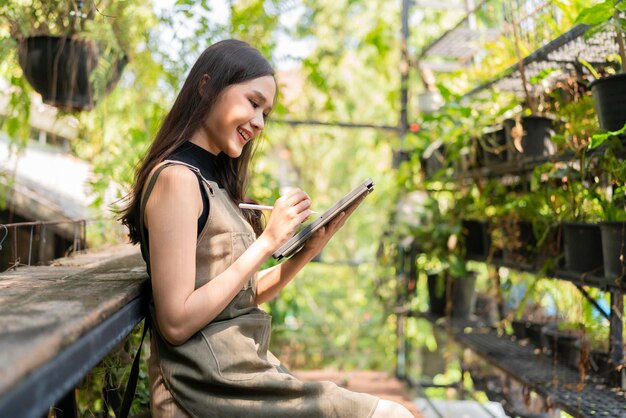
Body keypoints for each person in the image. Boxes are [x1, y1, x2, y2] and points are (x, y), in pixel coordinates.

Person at [119, 39, 413, 418]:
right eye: (253, 103)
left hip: (239, 372)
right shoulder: (177, 180)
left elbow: (238, 295)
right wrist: (267, 242)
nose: (258, 122)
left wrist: (306, 250)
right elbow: (175, 323)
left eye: (265, 113)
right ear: (206, 86)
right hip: (206, 386)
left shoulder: (215, 184)